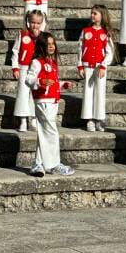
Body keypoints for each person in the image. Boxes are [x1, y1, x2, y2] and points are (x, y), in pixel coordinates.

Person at [25, 32, 75, 177]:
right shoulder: (37, 62)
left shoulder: (52, 63)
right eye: (48, 44)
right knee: (51, 132)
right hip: (42, 101)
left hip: (53, 101)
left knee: (44, 132)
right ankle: (54, 164)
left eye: (53, 44)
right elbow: (29, 79)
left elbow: (52, 83)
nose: (52, 46)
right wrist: (40, 82)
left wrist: (62, 85)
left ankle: (38, 164)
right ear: (42, 46)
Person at [77, 5, 114, 132]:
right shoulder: (86, 31)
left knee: (100, 94)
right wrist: (80, 65)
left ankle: (99, 119)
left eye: (95, 13)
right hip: (87, 66)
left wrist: (104, 65)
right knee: (88, 93)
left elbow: (110, 52)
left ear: (102, 16)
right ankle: (89, 120)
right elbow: (80, 49)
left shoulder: (106, 33)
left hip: (100, 67)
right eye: (92, 13)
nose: (92, 15)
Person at [11, 10, 44, 132]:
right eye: (32, 22)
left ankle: (33, 119)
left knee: (34, 94)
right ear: (28, 22)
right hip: (23, 67)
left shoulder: (42, 36)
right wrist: (15, 67)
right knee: (23, 94)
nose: (35, 25)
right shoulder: (22, 34)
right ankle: (23, 120)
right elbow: (15, 51)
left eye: (37, 23)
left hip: (36, 69)